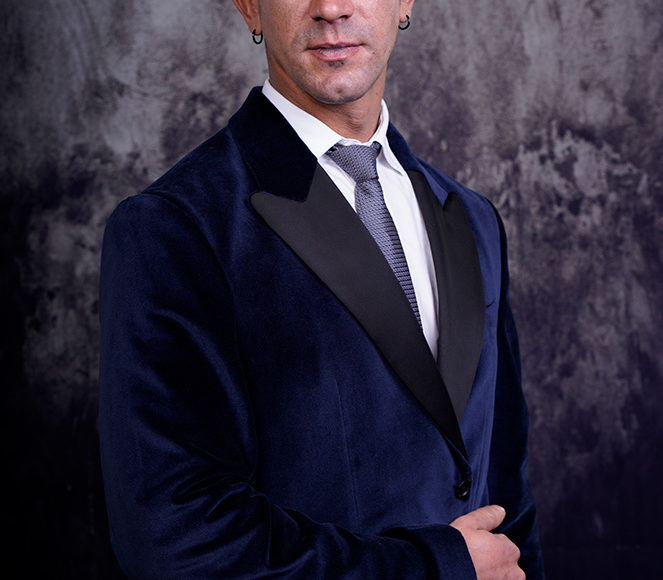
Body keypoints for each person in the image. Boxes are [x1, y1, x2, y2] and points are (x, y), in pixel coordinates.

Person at [98, 0, 544, 578]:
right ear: (249, 7)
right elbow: (175, 536)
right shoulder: (174, 227)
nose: (331, 7)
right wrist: (433, 567)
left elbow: (508, 496)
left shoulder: (473, 218)